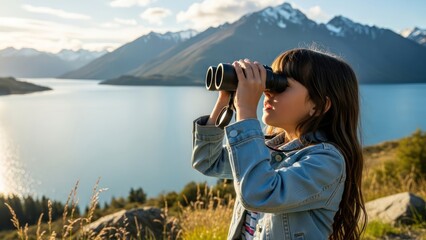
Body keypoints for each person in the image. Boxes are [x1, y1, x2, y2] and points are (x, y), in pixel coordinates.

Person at [191, 48, 367, 240]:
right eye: (271, 80)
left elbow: (258, 193)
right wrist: (226, 99)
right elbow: (207, 161)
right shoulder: (270, 150)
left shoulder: (326, 162)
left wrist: (246, 110)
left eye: (281, 85)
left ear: (318, 105)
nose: (267, 91)